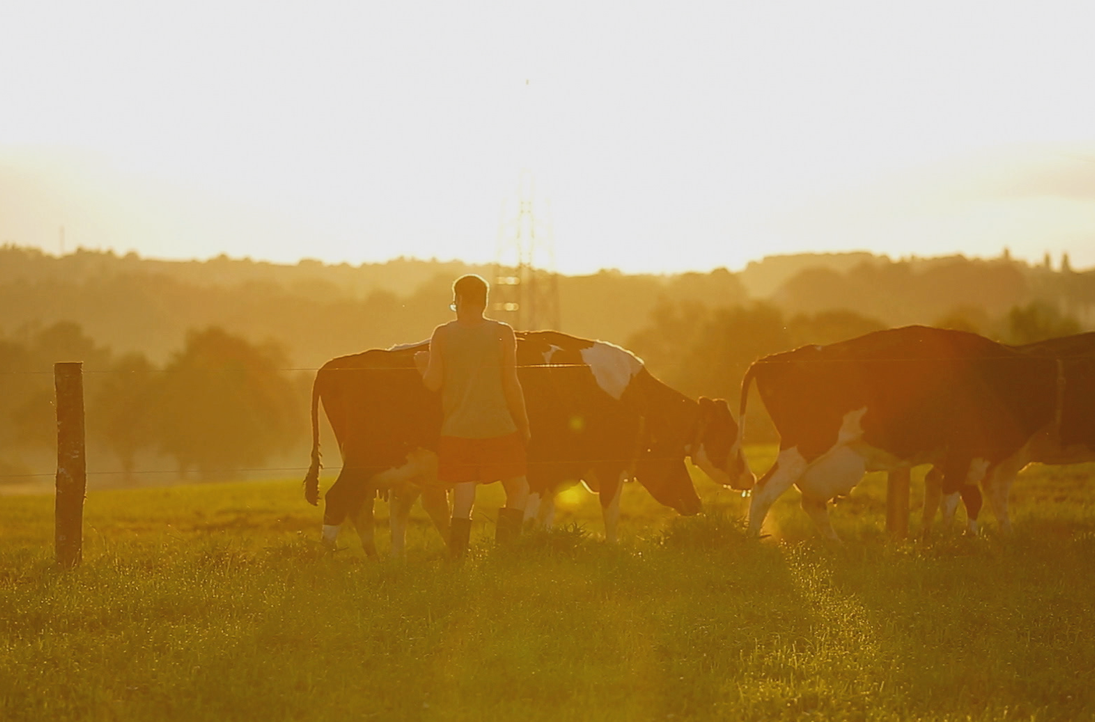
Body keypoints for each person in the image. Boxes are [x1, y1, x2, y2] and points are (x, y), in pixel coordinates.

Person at [415, 274, 531, 557]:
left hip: (457, 428)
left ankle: (458, 558)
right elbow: (511, 384)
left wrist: (421, 364)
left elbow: (433, 383)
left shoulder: (442, 334)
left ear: (459, 299)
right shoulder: (503, 332)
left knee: (464, 495)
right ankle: (503, 553)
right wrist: (524, 424)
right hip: (499, 425)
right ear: (485, 300)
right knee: (518, 488)